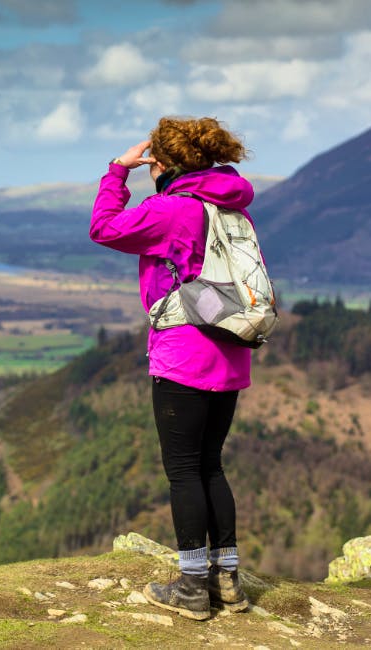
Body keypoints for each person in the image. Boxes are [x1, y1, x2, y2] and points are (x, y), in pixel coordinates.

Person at [89, 116, 254, 620]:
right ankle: (227, 582)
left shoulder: (171, 210)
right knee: (211, 465)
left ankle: (189, 587)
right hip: (231, 347)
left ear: (163, 163)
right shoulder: (230, 206)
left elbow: (103, 229)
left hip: (185, 352)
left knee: (183, 469)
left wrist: (117, 171)